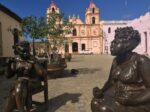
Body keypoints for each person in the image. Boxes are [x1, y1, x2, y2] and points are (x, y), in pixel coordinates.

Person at [91, 27, 150, 112]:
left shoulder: (141, 61)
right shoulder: (116, 61)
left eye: (116, 42)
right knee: (95, 103)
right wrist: (101, 91)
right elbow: (110, 82)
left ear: (127, 45)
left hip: (137, 101)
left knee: (104, 109)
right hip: (118, 97)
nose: (112, 43)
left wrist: (134, 100)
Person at [4, 41, 47, 112]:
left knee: (18, 85)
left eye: (27, 51)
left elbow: (43, 73)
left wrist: (34, 61)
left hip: (34, 82)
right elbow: (8, 76)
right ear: (18, 51)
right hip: (20, 86)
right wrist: (9, 64)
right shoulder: (16, 61)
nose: (26, 53)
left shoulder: (32, 60)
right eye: (23, 51)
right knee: (15, 92)